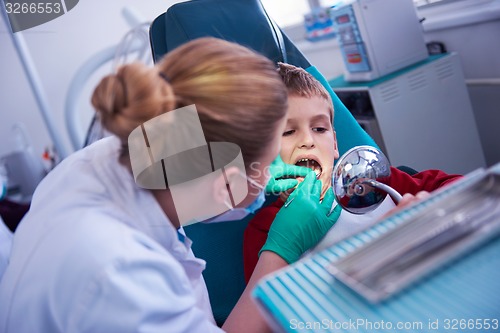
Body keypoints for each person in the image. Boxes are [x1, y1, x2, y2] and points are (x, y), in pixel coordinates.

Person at [0, 38, 338, 333]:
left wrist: (253, 183)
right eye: (269, 164)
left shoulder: (102, 159)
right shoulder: (121, 277)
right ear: (228, 182)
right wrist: (279, 252)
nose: (277, 169)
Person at [243, 63, 463, 283]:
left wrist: (427, 208)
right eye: (288, 132)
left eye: (319, 129)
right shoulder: (267, 228)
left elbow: (462, 187)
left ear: (335, 143)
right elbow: (267, 307)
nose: (308, 141)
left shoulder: (372, 182)